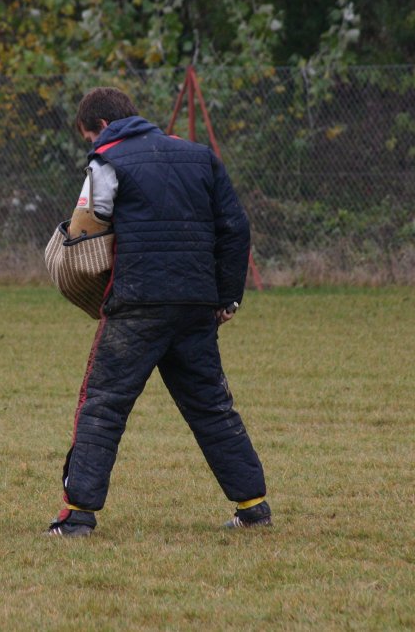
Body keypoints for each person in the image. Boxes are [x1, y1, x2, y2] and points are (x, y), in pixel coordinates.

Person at [46, 87, 270, 537]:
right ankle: (253, 507)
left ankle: (78, 516)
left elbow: (88, 225)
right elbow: (235, 227)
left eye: (90, 137)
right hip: (196, 303)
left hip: (138, 303)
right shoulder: (200, 156)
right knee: (211, 405)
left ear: (103, 127)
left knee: (103, 405)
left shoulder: (107, 159)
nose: (92, 144)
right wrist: (227, 296)